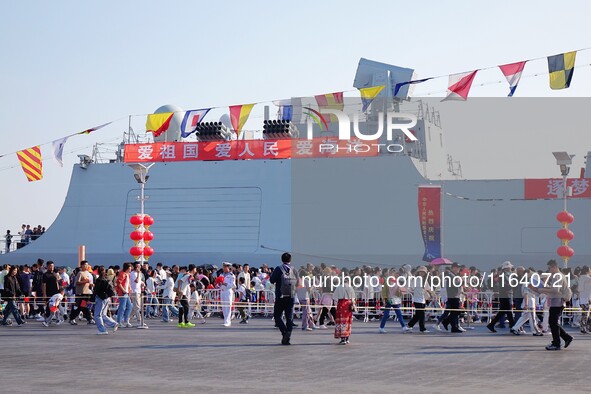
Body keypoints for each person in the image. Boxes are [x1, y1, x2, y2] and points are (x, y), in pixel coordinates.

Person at [532, 260, 573, 351]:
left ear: (554, 266)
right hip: (558, 301)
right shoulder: (559, 275)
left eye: (549, 268)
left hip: (557, 302)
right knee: (553, 323)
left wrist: (542, 290)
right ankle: (566, 338)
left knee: (553, 323)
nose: (549, 270)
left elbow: (555, 290)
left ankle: (557, 343)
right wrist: (543, 288)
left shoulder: (557, 276)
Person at [270, 252, 298, 345]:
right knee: (289, 317)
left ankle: (284, 332)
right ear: (290, 260)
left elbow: (272, 280)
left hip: (281, 296)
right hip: (291, 296)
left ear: (282, 259)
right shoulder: (294, 269)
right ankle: (288, 336)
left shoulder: (279, 269)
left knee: (277, 316)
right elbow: (297, 282)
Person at [487, 261, 516, 333]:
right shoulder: (503, 275)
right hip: (505, 295)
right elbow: (505, 286)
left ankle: (492, 324)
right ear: (507, 268)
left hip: (506, 295)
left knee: (503, 311)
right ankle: (513, 326)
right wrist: (512, 286)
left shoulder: (506, 275)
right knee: (508, 311)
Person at [405, 266, 433, 333]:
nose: (421, 273)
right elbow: (410, 288)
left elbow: (428, 289)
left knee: (418, 315)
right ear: (418, 272)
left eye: (423, 272)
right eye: (420, 271)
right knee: (422, 314)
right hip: (417, 300)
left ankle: (409, 326)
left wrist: (433, 294)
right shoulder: (415, 279)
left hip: (422, 299)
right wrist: (410, 291)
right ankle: (422, 328)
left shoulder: (424, 280)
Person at [93, 266, 119, 334]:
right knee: (103, 314)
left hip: (100, 297)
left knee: (97, 315)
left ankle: (102, 330)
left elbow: (96, 290)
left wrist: (92, 298)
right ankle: (113, 323)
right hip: (107, 298)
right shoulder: (106, 279)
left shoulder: (99, 280)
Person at [333, 276, 357, 344]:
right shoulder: (350, 287)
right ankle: (347, 338)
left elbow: (334, 297)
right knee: (347, 321)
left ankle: (342, 338)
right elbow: (353, 298)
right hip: (348, 305)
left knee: (341, 321)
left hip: (341, 304)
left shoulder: (339, 287)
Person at [441, 262, 464, 333]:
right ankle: (446, 321)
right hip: (452, 295)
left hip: (455, 295)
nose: (457, 269)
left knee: (455, 312)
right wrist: (461, 282)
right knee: (456, 312)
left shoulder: (454, 275)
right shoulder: (450, 275)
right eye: (456, 267)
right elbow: (453, 284)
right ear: (452, 268)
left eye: (458, 267)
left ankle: (454, 327)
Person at [69, 261, 94, 325]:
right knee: (79, 306)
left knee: (83, 306)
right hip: (80, 292)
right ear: (82, 266)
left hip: (86, 292)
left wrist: (91, 284)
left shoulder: (88, 273)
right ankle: (72, 318)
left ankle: (89, 319)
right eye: (85, 265)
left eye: (87, 265)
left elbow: (89, 282)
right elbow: (77, 282)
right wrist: (85, 281)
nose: (86, 266)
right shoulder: (80, 273)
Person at [116, 262, 133, 327]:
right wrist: (123, 290)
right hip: (123, 293)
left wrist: (129, 289)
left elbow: (128, 283)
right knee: (122, 307)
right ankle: (119, 322)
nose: (131, 268)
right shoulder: (122, 274)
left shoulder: (127, 274)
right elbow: (119, 283)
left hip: (126, 292)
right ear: (128, 268)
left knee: (129, 306)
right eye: (130, 267)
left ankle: (126, 320)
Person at [220, 262, 236, 327]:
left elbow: (233, 285)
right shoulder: (221, 274)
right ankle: (225, 320)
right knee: (223, 306)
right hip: (222, 291)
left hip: (228, 291)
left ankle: (228, 321)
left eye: (225, 267)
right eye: (223, 267)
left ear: (228, 267)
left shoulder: (231, 275)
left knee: (228, 306)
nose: (224, 268)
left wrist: (225, 284)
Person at [578, 266, 591, 333]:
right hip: (587, 298)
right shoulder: (587, 278)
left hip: (582, 298)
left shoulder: (581, 278)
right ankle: (584, 328)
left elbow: (579, 289)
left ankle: (583, 327)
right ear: (587, 271)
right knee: (586, 314)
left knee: (584, 314)